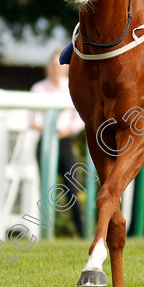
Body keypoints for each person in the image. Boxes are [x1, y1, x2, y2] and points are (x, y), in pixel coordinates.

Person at [29, 50, 86, 237]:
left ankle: (81, 231)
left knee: (72, 187)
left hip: (64, 142)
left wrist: (67, 130)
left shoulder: (72, 87)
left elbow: (79, 117)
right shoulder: (38, 89)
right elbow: (31, 119)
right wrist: (48, 130)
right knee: (43, 188)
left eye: (59, 65)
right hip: (44, 143)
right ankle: (43, 232)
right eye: (52, 65)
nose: (55, 69)